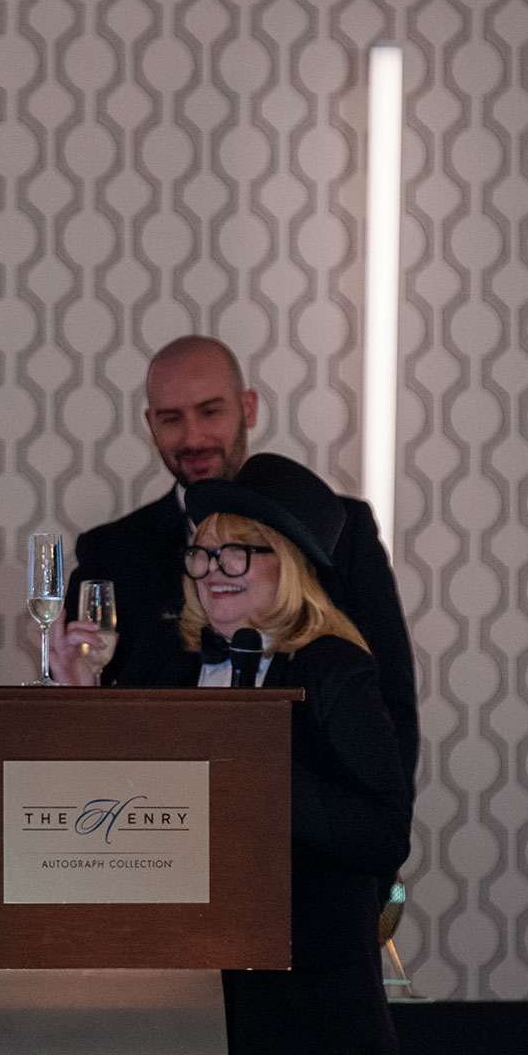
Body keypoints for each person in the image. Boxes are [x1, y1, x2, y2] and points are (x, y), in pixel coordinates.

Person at [57, 453, 413, 1055]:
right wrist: (81, 696)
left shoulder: (335, 669)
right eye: (202, 551)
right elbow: (116, 801)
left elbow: (381, 831)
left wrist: (260, 772)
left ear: (287, 565)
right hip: (181, 1010)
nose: (212, 570)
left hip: (300, 1016)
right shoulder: (169, 661)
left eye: (236, 553)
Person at [63, 335, 418, 789]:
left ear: (248, 408)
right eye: (171, 419)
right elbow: (92, 719)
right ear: (150, 424)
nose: (193, 437)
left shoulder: (342, 530)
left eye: (210, 412)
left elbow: (392, 701)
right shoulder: (111, 551)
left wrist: (380, 818)